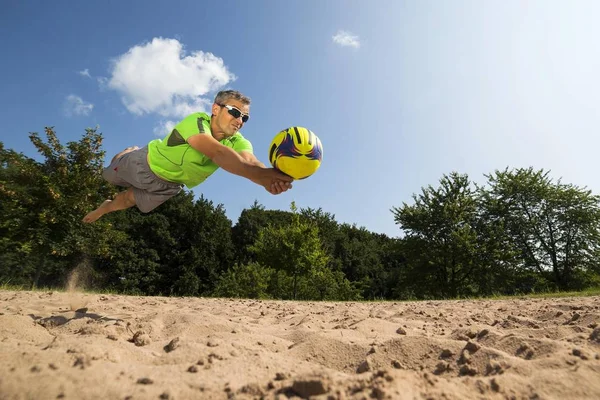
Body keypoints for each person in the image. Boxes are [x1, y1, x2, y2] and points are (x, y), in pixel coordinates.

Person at [83, 90, 293, 223]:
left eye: (245, 117)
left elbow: (249, 161)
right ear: (215, 109)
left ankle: (105, 207)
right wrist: (261, 177)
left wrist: (269, 176)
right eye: (235, 112)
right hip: (144, 163)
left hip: (168, 185)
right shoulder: (197, 121)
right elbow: (217, 152)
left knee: (130, 200)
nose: (240, 120)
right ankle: (127, 152)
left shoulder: (238, 141)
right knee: (107, 176)